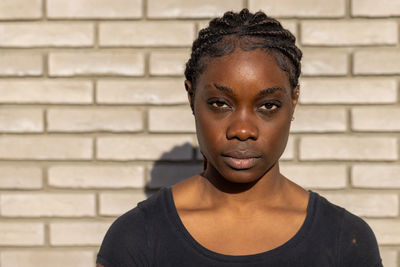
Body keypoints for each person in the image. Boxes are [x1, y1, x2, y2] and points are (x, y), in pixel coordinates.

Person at [96, 8, 382, 267]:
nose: (243, 130)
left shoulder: (345, 240)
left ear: (293, 101)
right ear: (191, 96)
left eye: (268, 106)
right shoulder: (136, 238)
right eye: (220, 104)